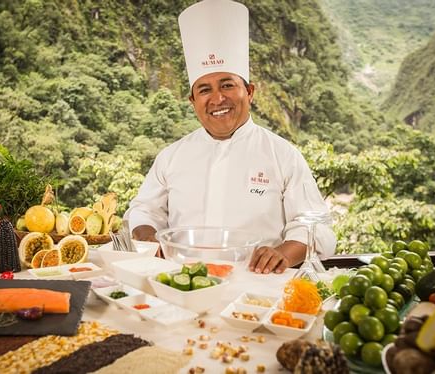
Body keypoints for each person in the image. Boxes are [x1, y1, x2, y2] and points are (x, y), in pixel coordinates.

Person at [124, 0, 336, 274]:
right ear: (192, 100)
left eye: (227, 85)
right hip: (179, 285)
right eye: (204, 90)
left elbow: (314, 226)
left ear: (249, 91)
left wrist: (281, 253)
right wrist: (147, 235)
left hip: (258, 290)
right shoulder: (171, 157)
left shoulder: (283, 155)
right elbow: (144, 211)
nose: (217, 98)